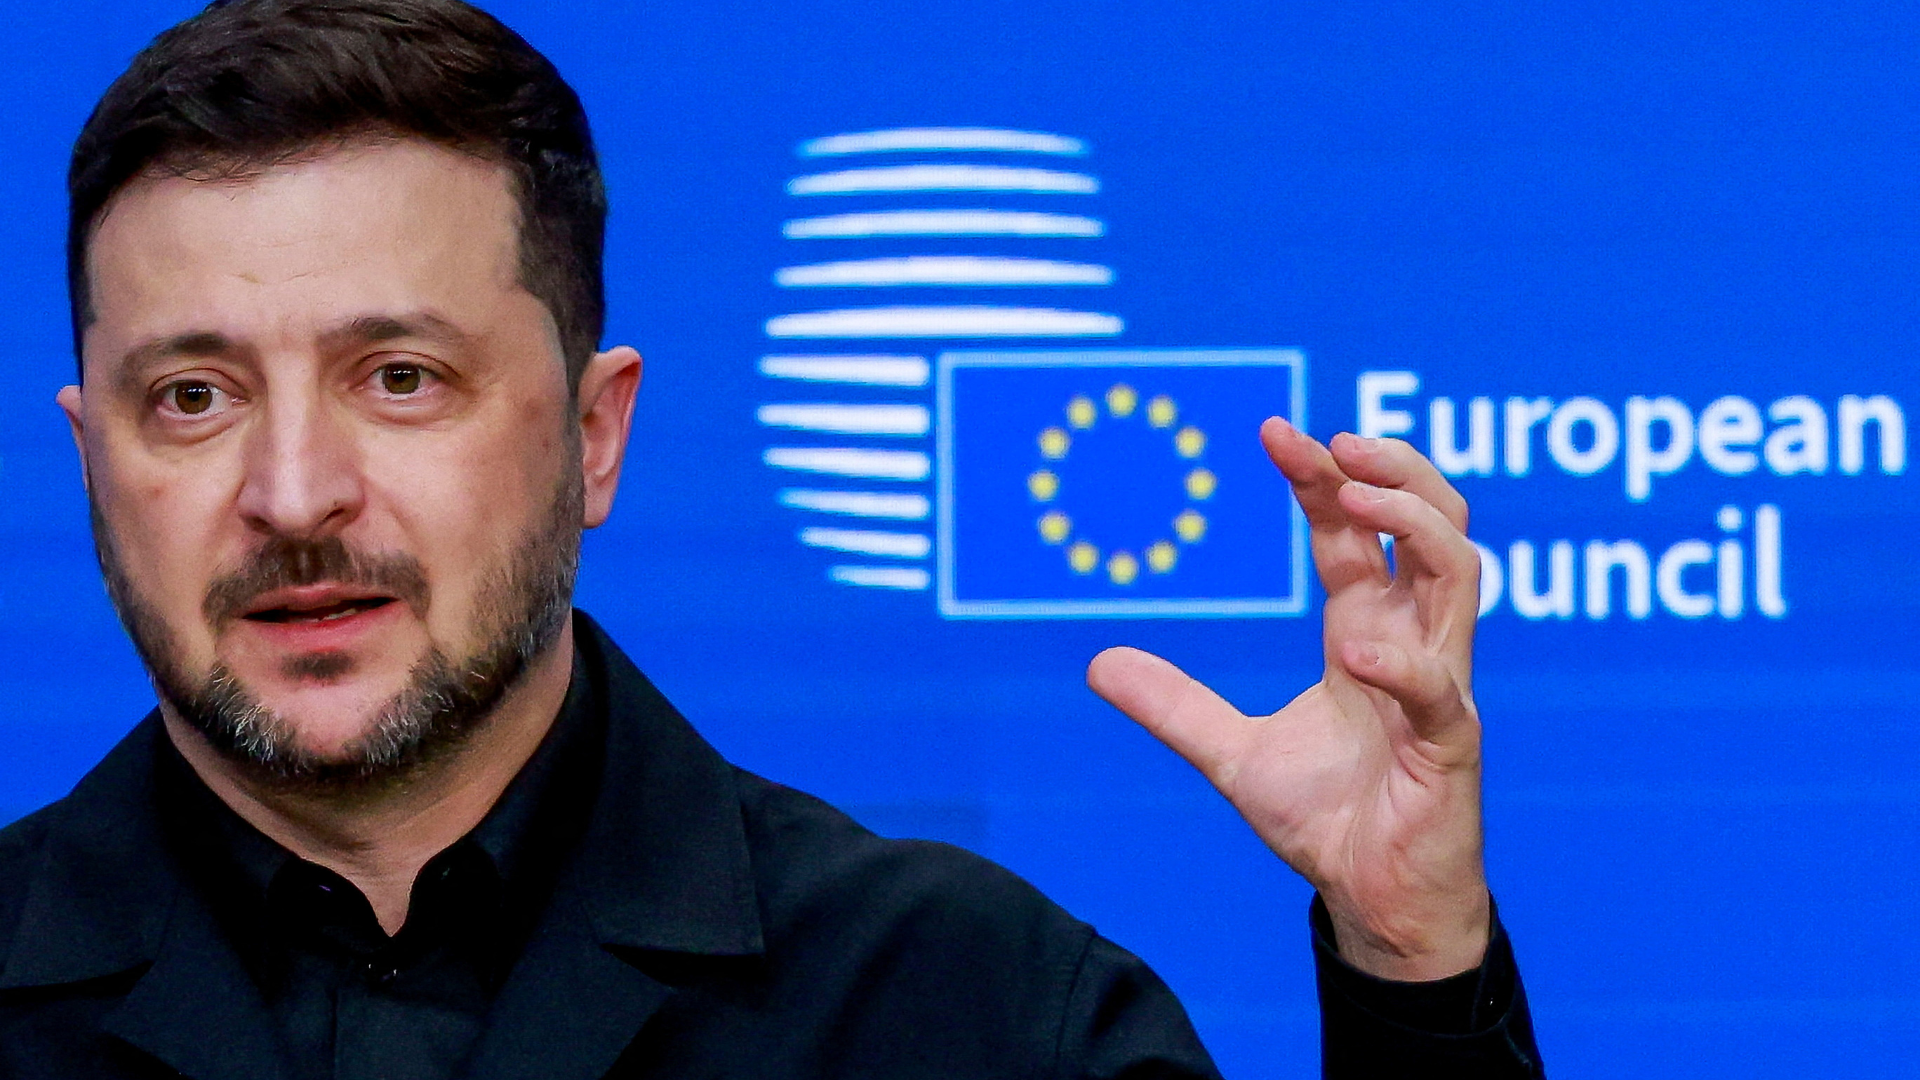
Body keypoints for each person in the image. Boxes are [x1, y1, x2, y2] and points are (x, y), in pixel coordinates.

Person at [0, 1, 1542, 1076]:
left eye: (400, 378)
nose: (291, 492)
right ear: (93, 457)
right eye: (192, 397)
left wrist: (1417, 969)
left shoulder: (971, 1006)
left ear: (595, 436)